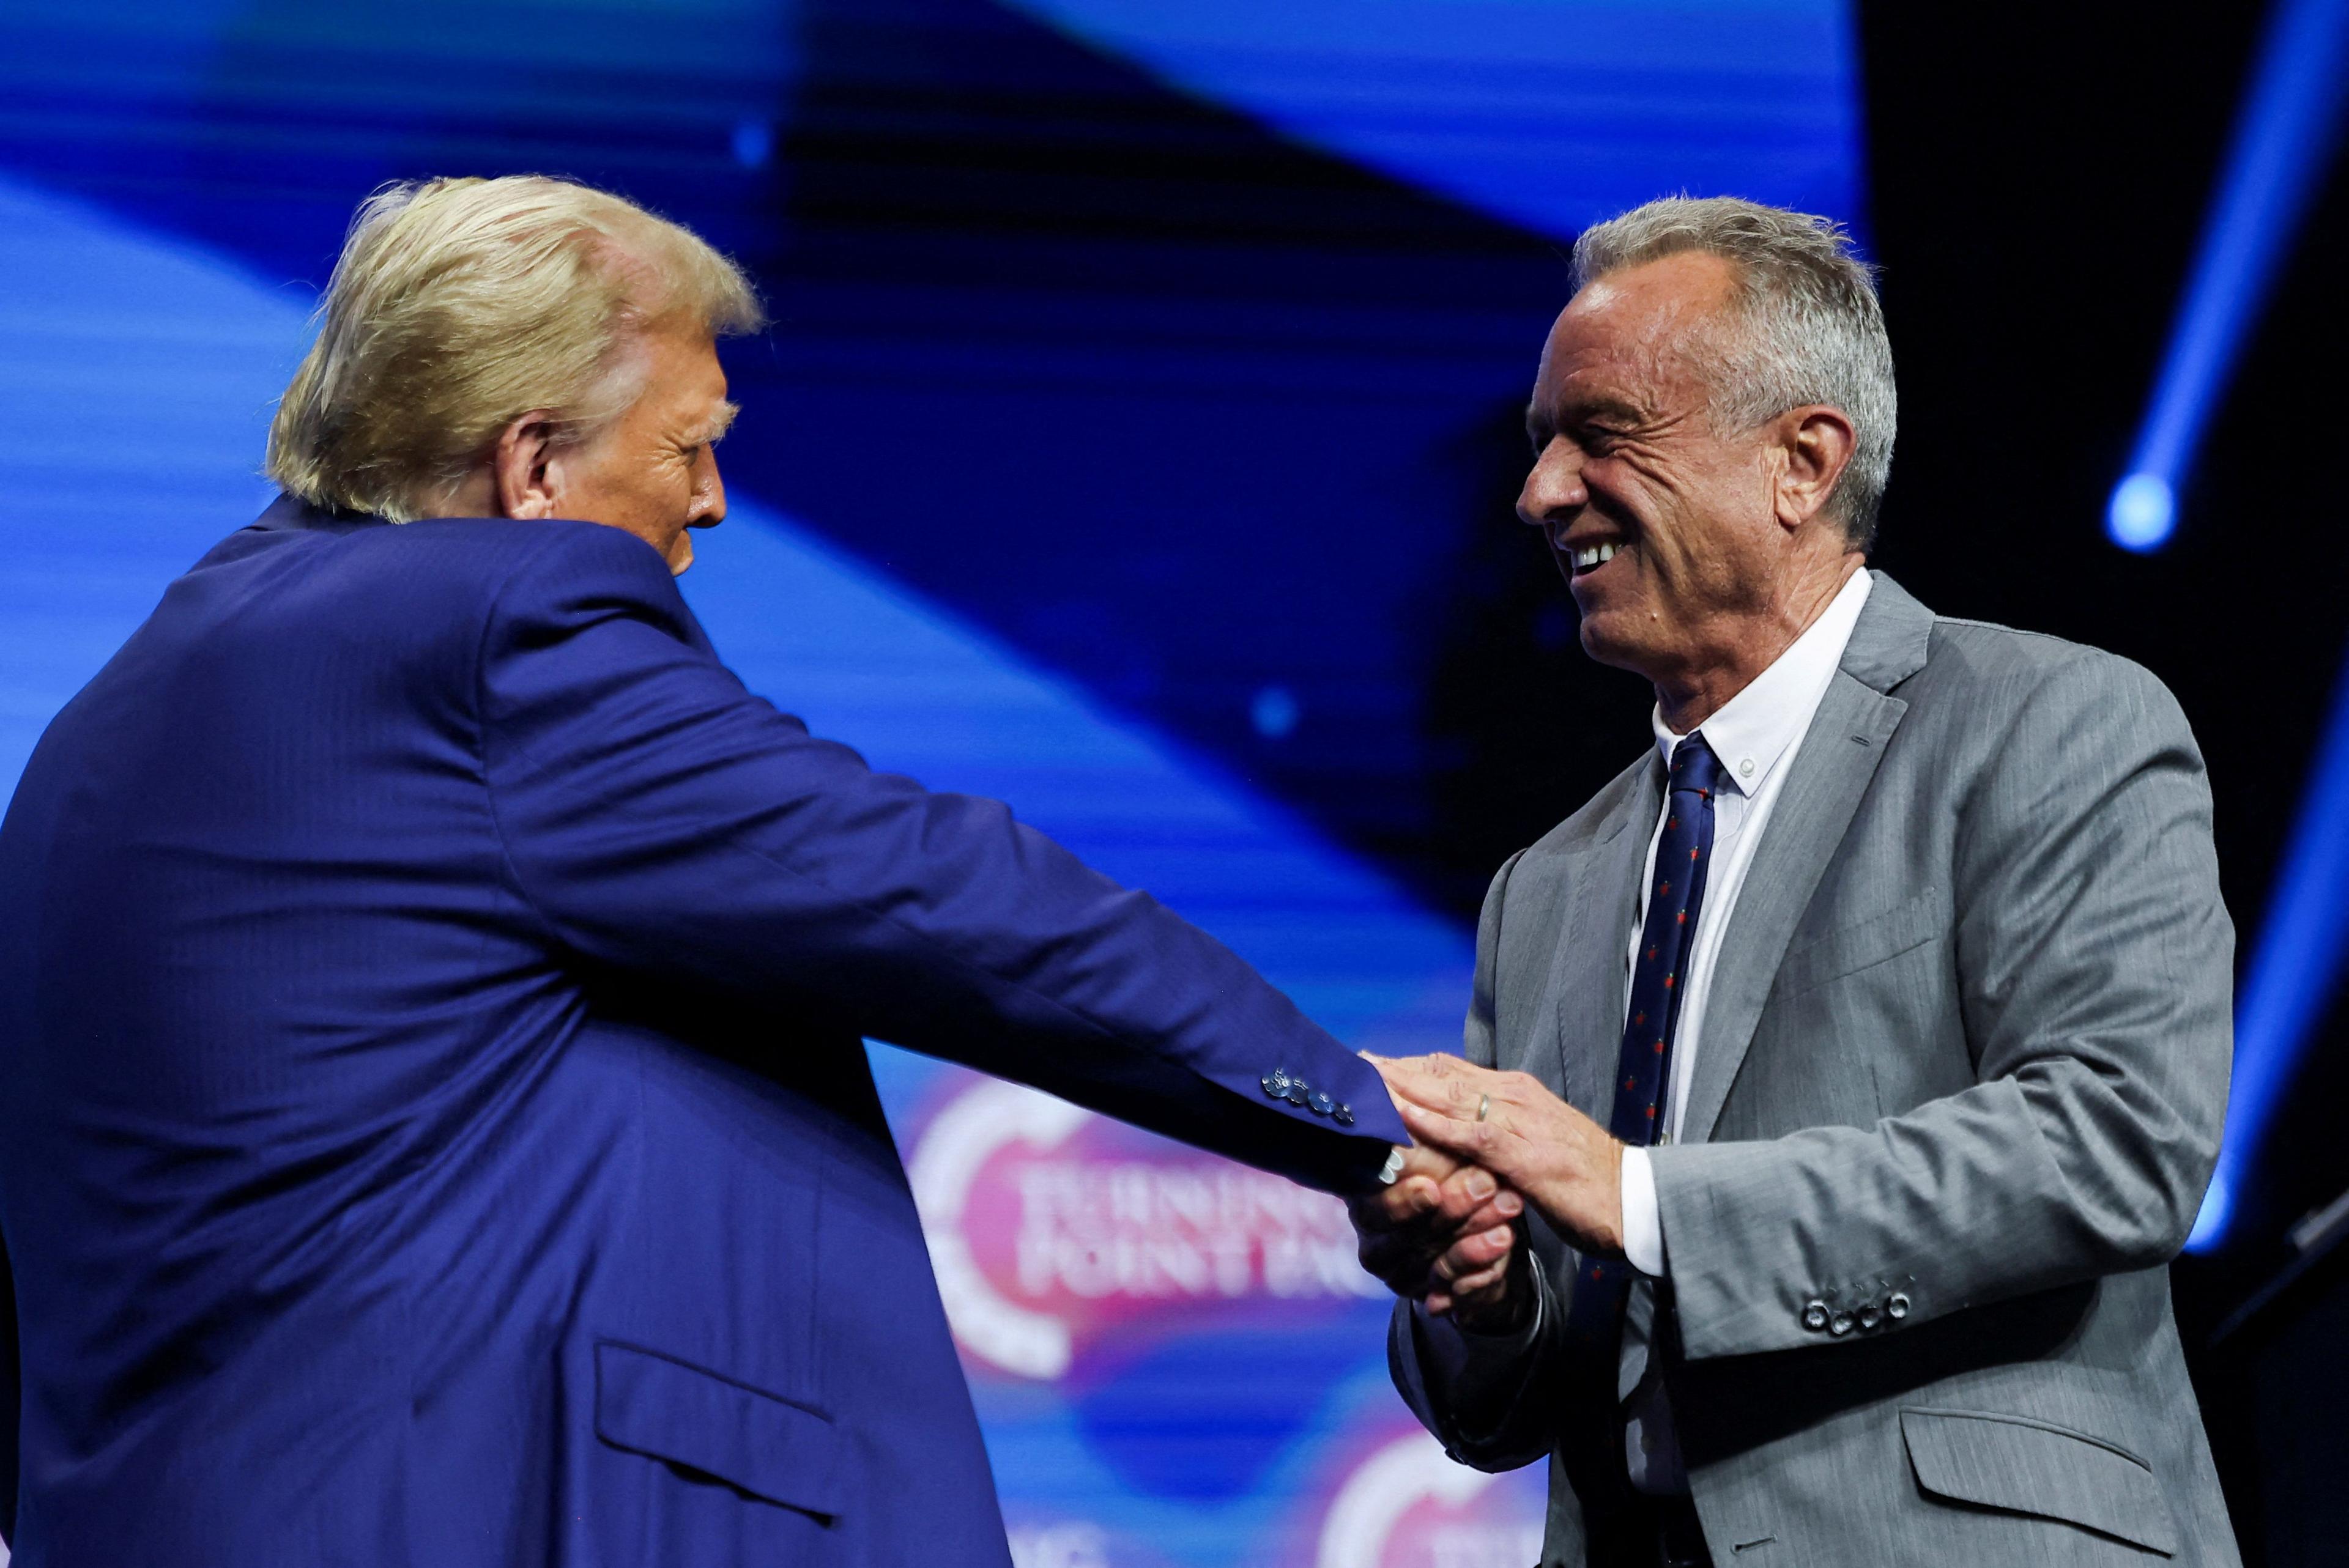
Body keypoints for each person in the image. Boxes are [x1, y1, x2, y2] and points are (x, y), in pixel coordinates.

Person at [0, 176, 1505, 1566]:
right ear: (533, 466)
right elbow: (947, 900)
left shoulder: (129, 703)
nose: (712, 500)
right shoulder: (489, 637)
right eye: (689, 444)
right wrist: (1374, 1127)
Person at [1347, 196, 2239, 1566]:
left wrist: (1638, 1195)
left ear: (1802, 463)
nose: (1541, 493)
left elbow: (2114, 1145)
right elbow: (1507, 1401)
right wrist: (1486, 1289)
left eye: (1603, 434)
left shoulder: (2053, 722)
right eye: (1540, 449)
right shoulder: (1545, 887)